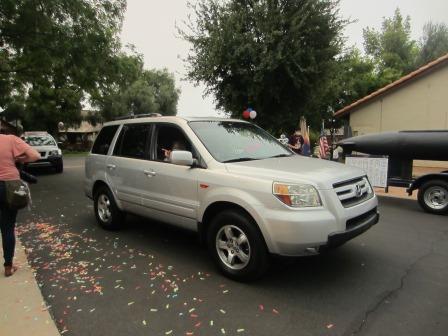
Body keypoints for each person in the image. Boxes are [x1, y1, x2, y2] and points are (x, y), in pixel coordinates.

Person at [0, 129, 40, 277]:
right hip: (9, 186)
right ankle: (8, 266)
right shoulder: (10, 139)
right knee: (7, 227)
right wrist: (18, 159)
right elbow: (35, 155)